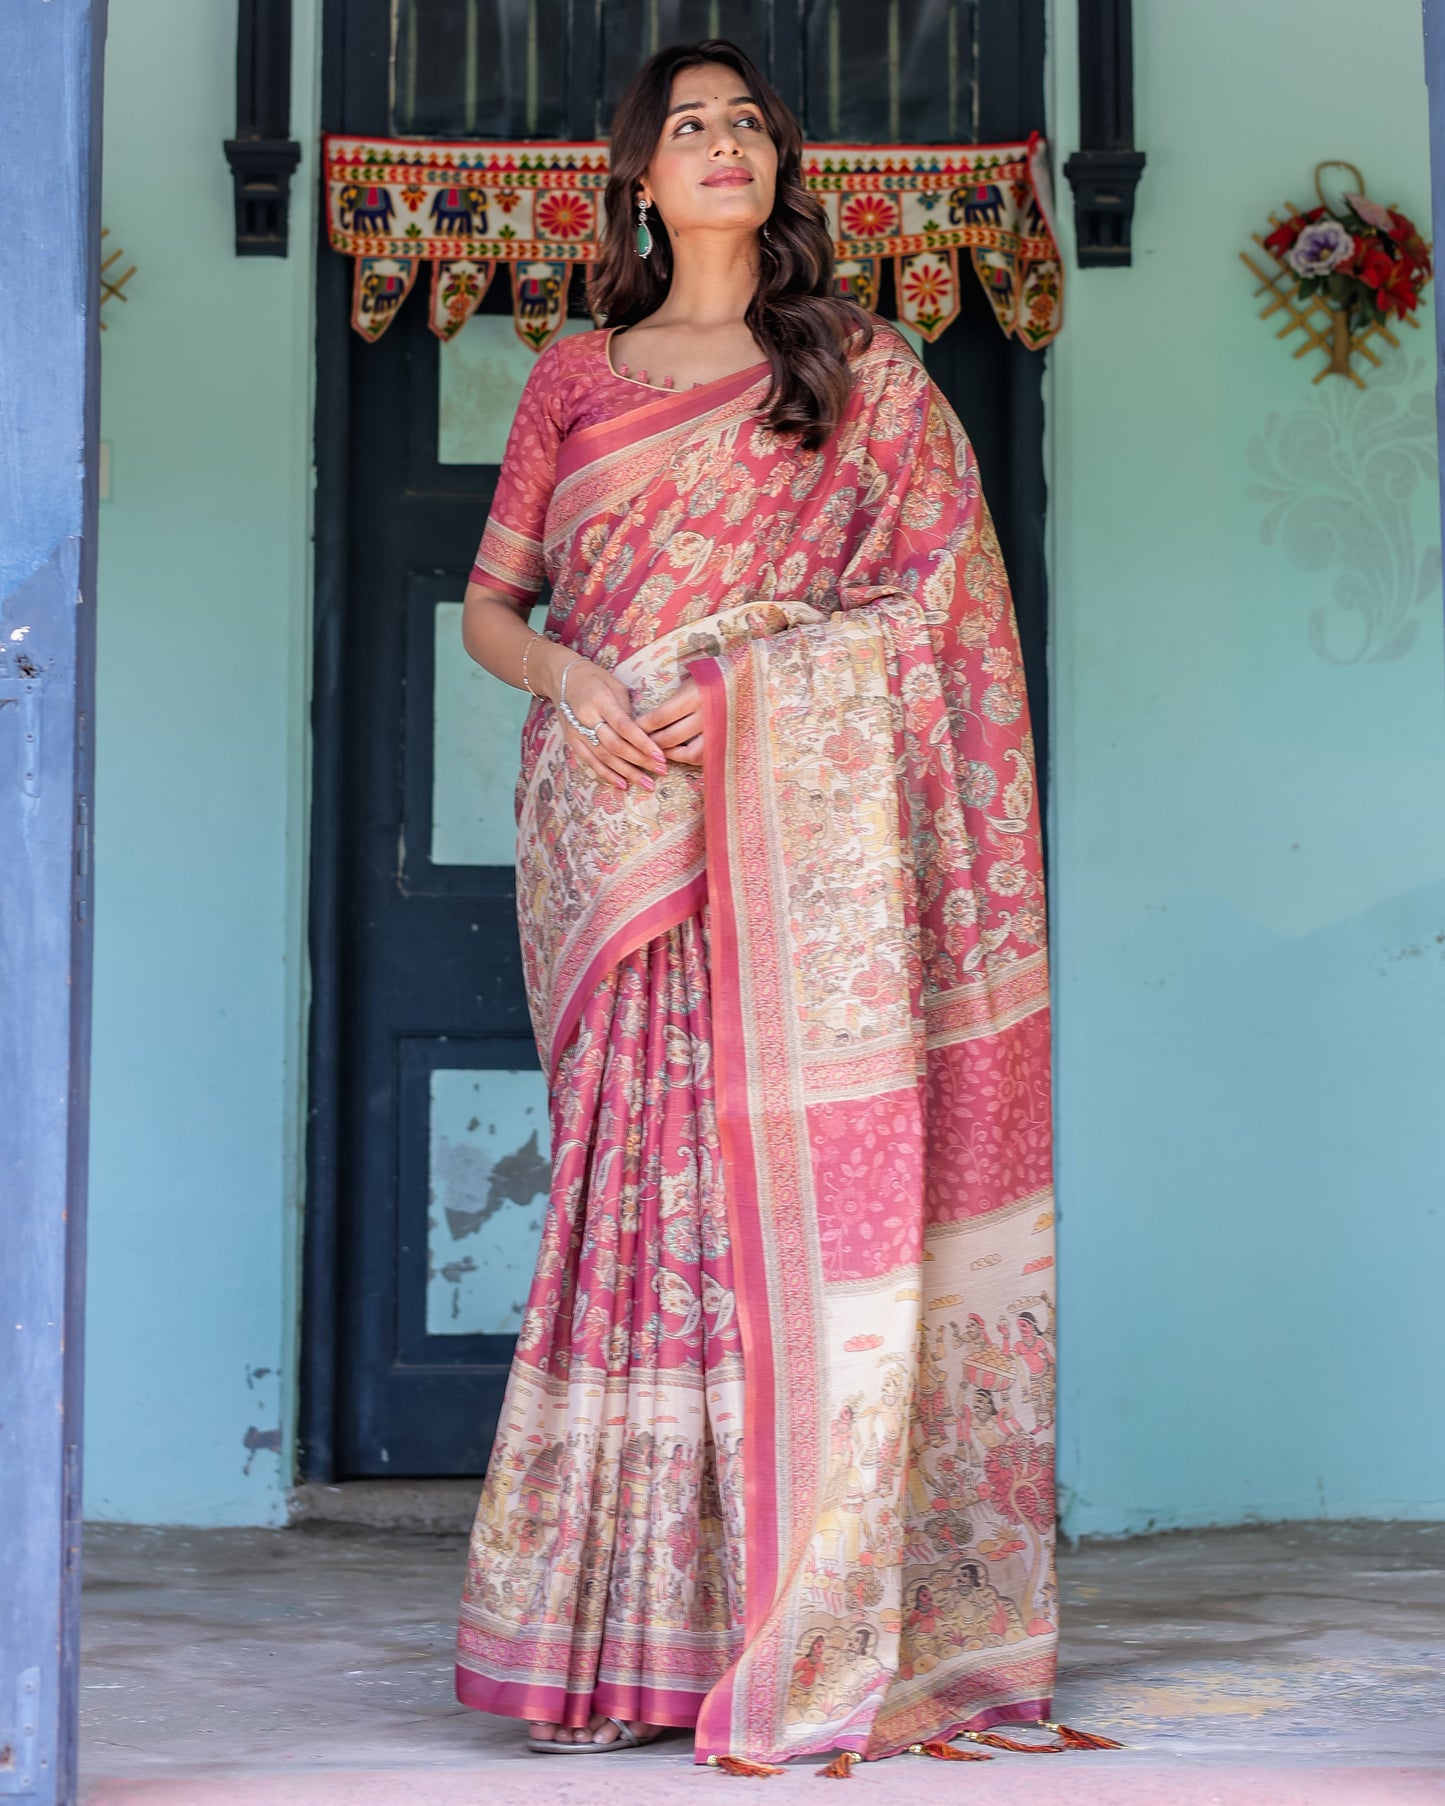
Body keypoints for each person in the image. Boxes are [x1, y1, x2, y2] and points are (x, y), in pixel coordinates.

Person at [453, 36, 1056, 1768]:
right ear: (635, 174)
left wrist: (747, 681)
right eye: (687, 128)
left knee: (791, 1221)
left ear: (780, 167)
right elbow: (495, 614)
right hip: (624, 831)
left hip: (804, 859)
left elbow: (938, 605)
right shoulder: (573, 375)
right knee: (632, 1215)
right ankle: (612, 1638)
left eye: (746, 125)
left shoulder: (856, 365)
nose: (723, 146)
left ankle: (787, 1620)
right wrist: (578, 687)